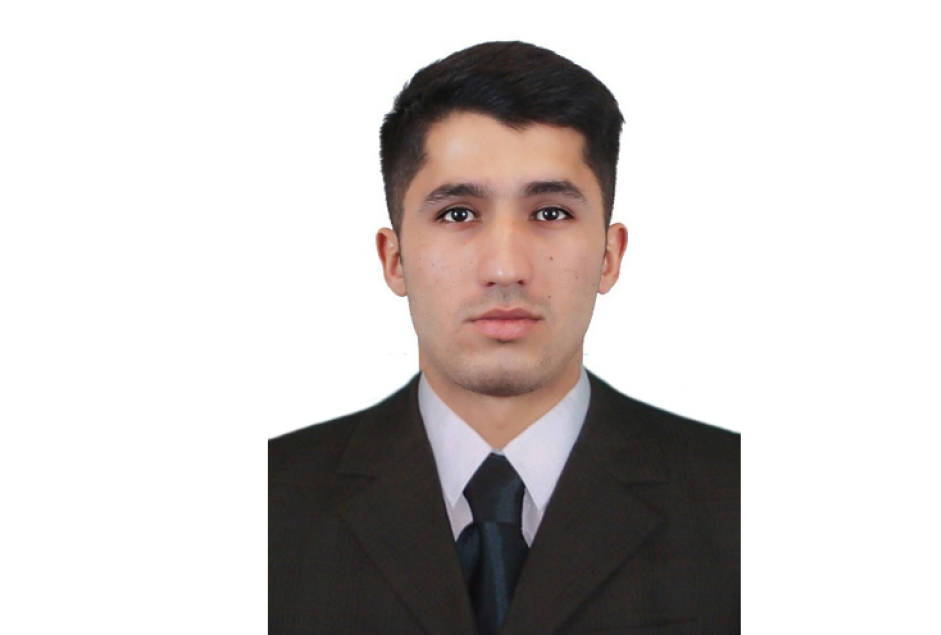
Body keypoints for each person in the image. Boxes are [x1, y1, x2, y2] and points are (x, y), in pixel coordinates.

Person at [269, 41, 739, 635]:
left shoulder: (740, 500)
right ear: (395, 259)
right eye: (458, 214)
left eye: (550, 213)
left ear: (609, 256)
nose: (505, 268)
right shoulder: (267, 504)